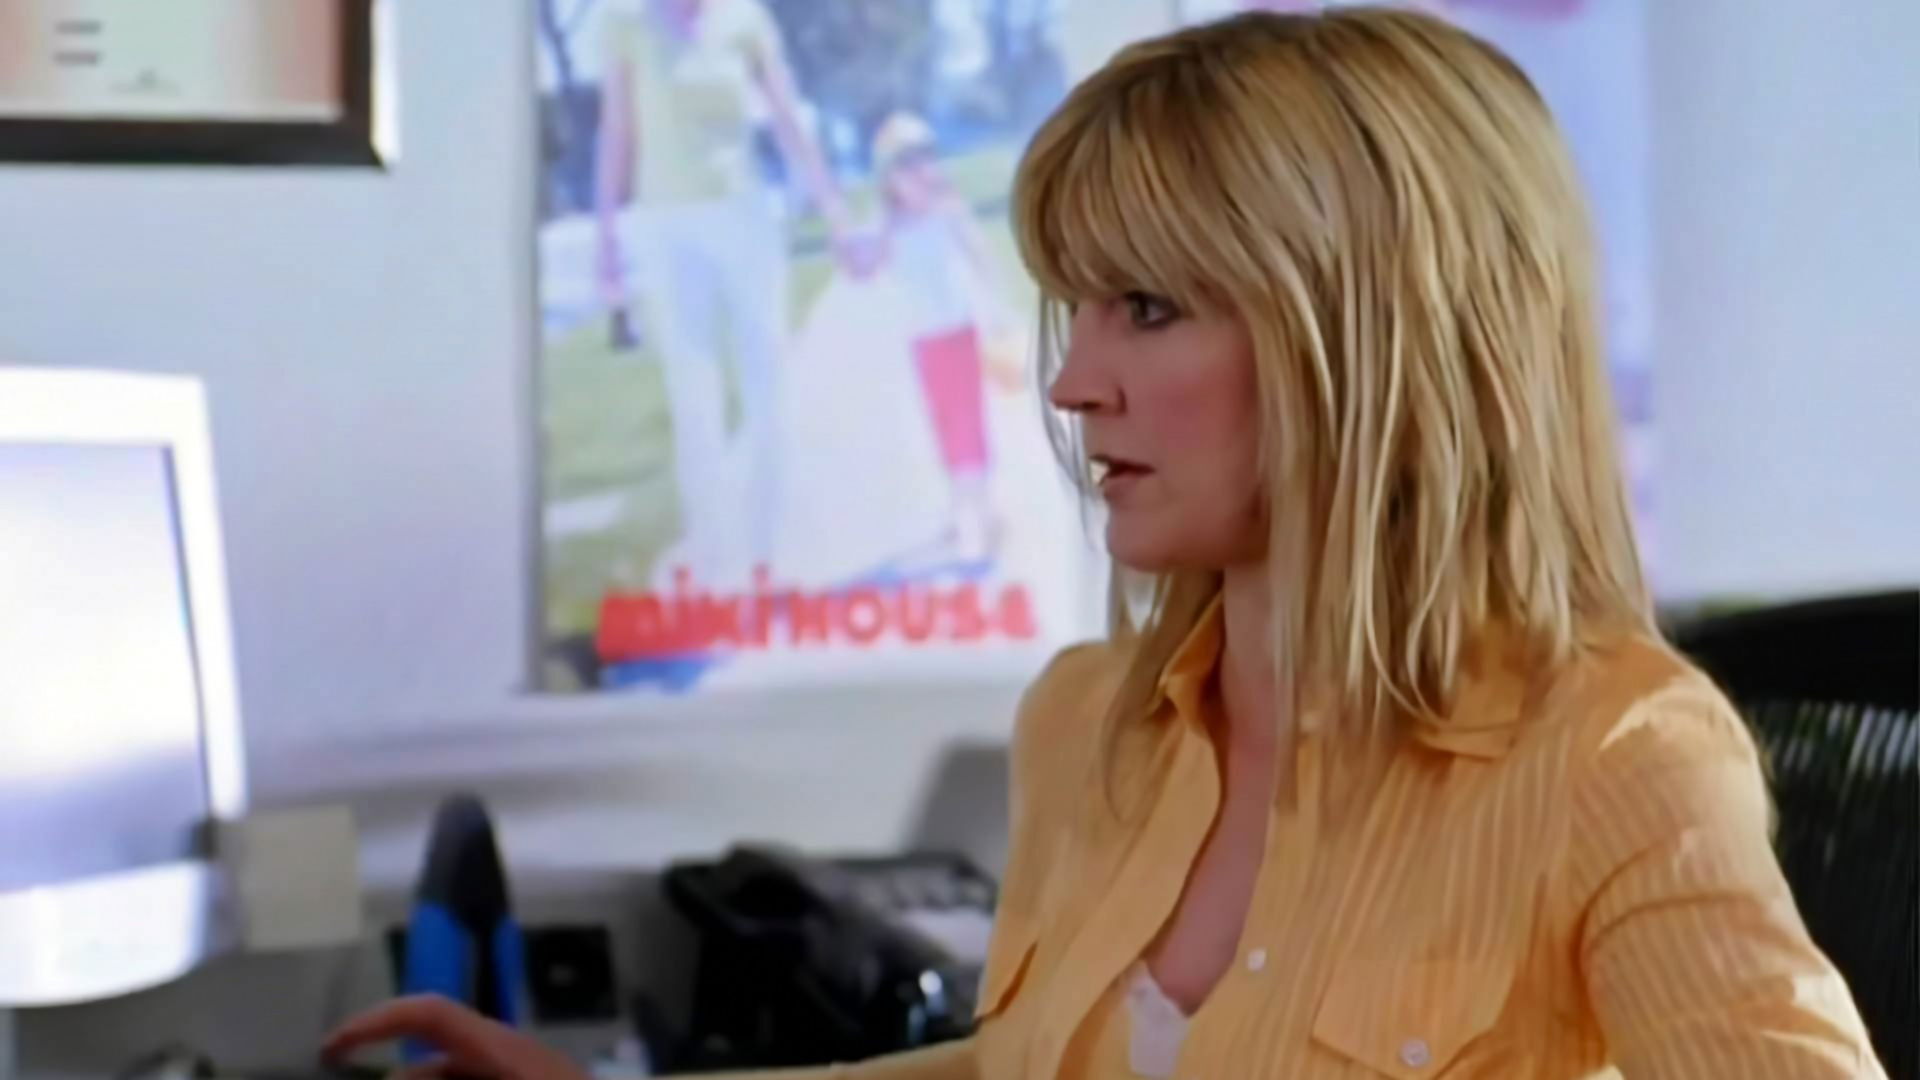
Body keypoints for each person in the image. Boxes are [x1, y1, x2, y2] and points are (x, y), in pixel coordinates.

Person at [329, 9, 1885, 1077]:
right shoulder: (1090, 725)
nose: (1074, 382)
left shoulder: (1613, 756)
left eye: (1148, 307)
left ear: (1374, 335)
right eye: (1075, 309)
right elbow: (1017, 1068)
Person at [595, 0, 861, 587]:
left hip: (744, 217)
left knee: (769, 390)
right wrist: (606, 237)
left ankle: (769, 556)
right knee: (695, 400)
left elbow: (787, 116)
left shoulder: (744, 19)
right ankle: (716, 568)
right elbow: (617, 131)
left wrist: (835, 212)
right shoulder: (626, 23)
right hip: (666, 229)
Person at [869, 111, 1020, 572]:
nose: (919, 172)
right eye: (905, 164)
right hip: (924, 342)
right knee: (944, 428)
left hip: (957, 332)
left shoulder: (946, 210)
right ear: (888, 178)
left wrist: (997, 310)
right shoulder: (889, 225)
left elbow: (979, 254)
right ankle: (961, 508)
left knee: (970, 424)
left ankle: (986, 511)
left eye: (925, 158)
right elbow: (867, 264)